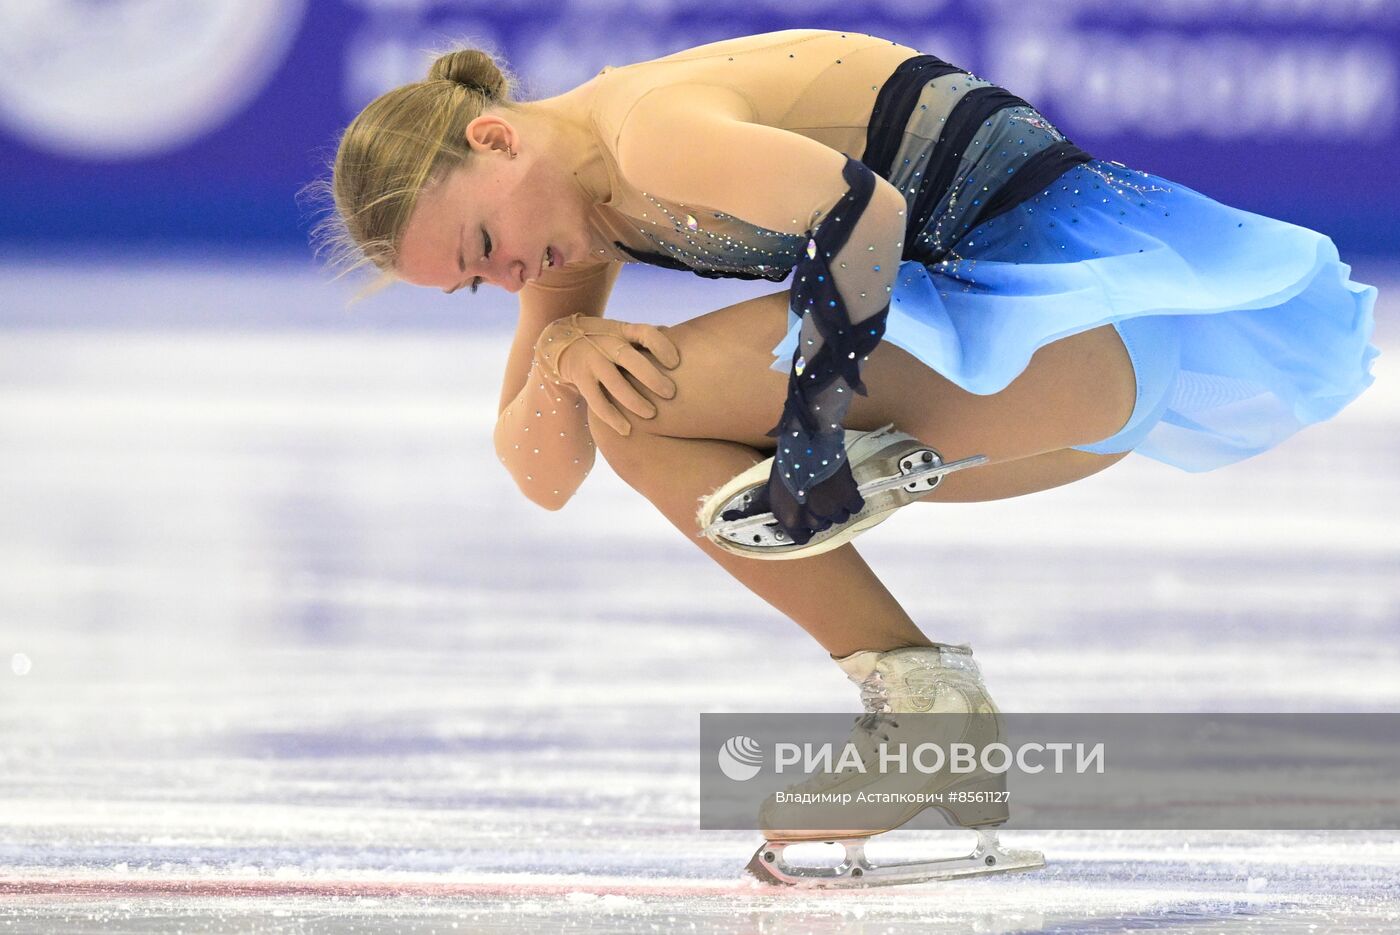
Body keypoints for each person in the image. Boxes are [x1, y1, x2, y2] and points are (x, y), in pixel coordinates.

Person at [311, 28, 1379, 885]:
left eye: (485, 245)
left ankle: (921, 697)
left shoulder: (646, 133)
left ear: (495, 141)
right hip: (1051, 397)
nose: (506, 275)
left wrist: (811, 429)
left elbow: (860, 210)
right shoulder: (567, 211)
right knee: (616, 395)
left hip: (1073, 339)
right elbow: (543, 474)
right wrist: (556, 347)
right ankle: (920, 702)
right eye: (474, 282)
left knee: (639, 403)